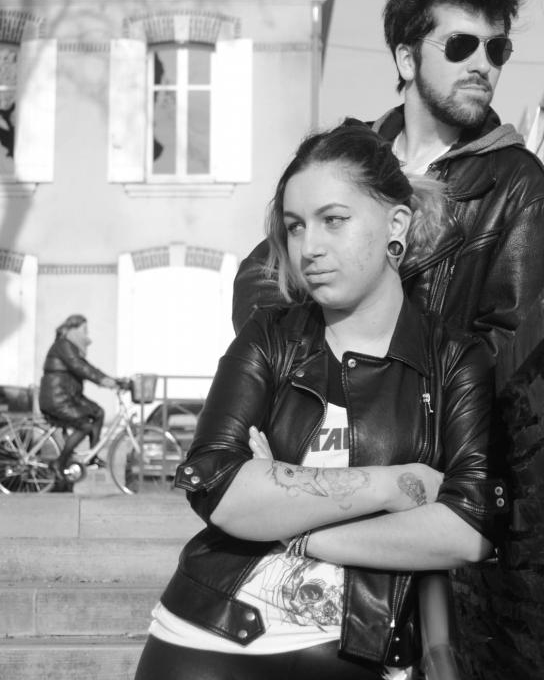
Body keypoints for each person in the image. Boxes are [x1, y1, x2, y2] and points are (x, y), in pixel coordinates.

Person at [134, 123, 504, 680]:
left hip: (352, 649)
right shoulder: (270, 337)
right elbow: (219, 489)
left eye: (333, 220)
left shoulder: (453, 360)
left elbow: (467, 530)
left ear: (396, 225)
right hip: (201, 633)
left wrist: (293, 525)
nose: (309, 248)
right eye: (295, 227)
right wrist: (393, 485)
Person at [232, 0, 544, 363]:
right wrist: (316, 370)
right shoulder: (347, 155)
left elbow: (513, 350)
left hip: (429, 406)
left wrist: (386, 380)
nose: (482, 65)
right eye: (460, 45)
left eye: (497, 49)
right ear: (407, 59)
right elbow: (261, 279)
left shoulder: (516, 184)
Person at [38, 314, 122, 485]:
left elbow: (87, 366)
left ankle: (93, 456)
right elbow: (80, 367)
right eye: (84, 329)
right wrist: (104, 381)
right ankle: (59, 463)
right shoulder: (63, 345)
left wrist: (111, 380)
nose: (86, 334)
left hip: (69, 396)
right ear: (73, 329)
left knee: (98, 412)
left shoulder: (71, 346)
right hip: (57, 398)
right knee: (84, 425)